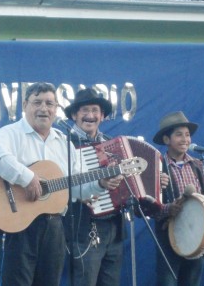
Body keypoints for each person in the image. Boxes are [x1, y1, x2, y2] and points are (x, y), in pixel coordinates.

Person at [0, 82, 87, 286]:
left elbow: (78, 183)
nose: (44, 108)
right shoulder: (11, 133)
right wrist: (27, 177)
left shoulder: (64, 141)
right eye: (37, 102)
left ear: (56, 109)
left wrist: (101, 182)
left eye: (49, 103)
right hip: (20, 225)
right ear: (24, 105)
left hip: (55, 226)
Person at [63, 88, 125, 286]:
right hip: (84, 228)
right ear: (74, 115)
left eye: (95, 110)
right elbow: (62, 185)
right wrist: (98, 184)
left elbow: (128, 183)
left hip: (114, 227)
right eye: (84, 110)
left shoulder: (112, 144)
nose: (90, 115)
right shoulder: (63, 143)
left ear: (102, 116)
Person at [151, 111, 204, 286]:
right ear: (166, 140)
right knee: (167, 281)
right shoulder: (156, 168)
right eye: (179, 135)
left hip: (196, 234)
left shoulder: (200, 167)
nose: (185, 139)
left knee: (192, 281)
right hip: (168, 235)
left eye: (187, 135)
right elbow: (149, 207)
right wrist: (168, 209)